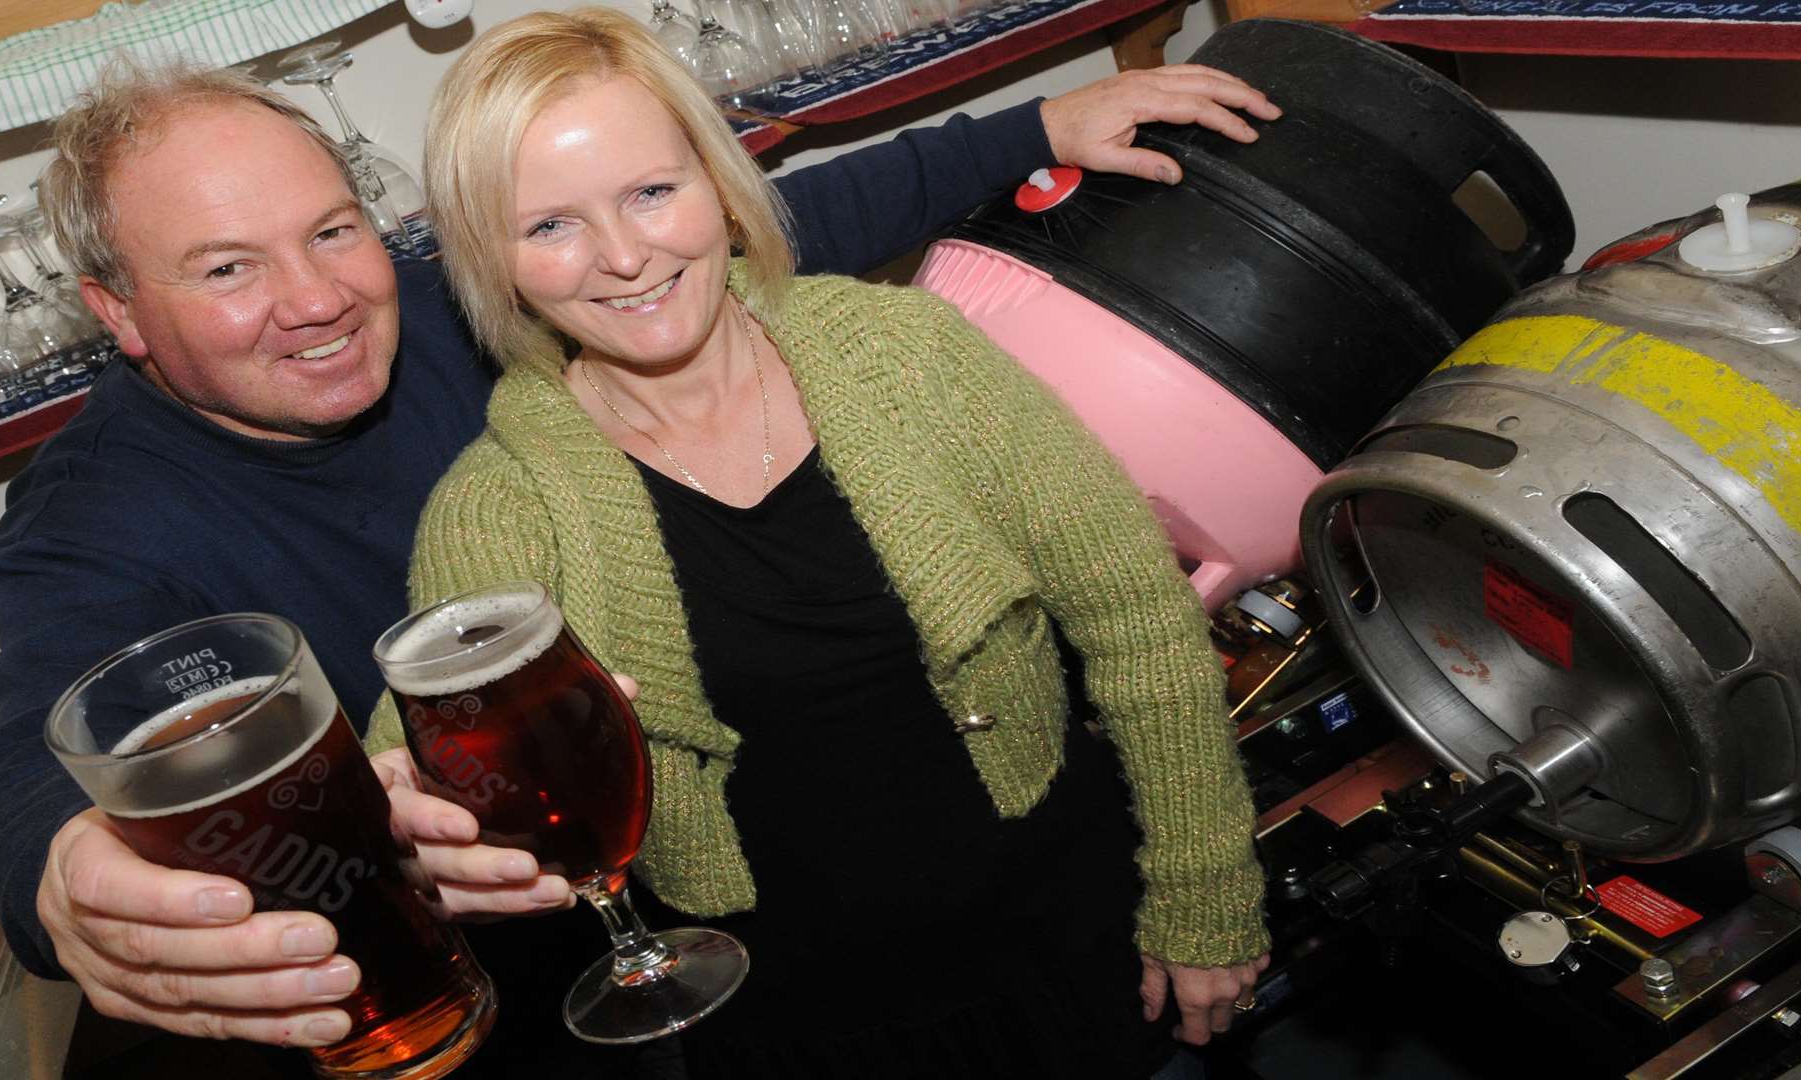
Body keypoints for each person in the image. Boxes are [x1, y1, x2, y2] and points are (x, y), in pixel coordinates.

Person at [0, 40, 1280, 1062]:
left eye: (331, 230)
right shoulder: (91, 524)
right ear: (118, 312)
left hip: (960, 890)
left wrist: (1037, 126)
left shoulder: (452, 303)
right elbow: (41, 735)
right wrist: (63, 869)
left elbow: (687, 237)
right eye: (225, 270)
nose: (314, 300)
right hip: (532, 962)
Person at [370, 8, 1272, 1077]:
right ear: (493, 262)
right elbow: (421, 750)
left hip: (1082, 952)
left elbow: (1136, 619)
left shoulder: (909, 353)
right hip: (792, 1026)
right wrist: (402, 821)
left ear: (719, 181)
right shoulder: (497, 508)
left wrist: (1206, 891)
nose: (622, 257)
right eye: (549, 226)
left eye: (652, 192)